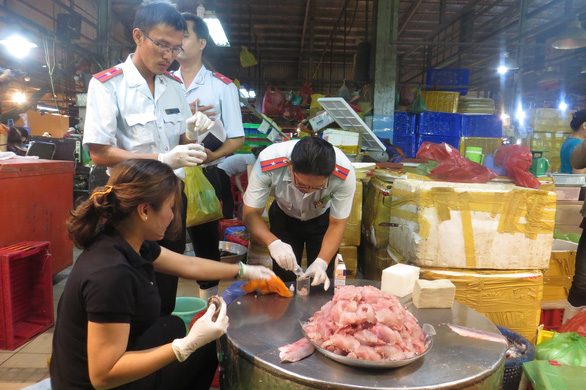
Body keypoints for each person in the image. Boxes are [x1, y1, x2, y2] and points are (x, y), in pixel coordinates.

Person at [50, 159, 274, 390]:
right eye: (171, 207)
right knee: (205, 348)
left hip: (100, 364)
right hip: (90, 384)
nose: (174, 217)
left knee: (172, 324)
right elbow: (103, 375)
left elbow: (189, 266)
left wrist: (244, 271)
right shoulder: (111, 274)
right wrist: (185, 346)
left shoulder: (128, 239)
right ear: (145, 210)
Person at [82, 1, 213, 315]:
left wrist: (194, 133)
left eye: (176, 49)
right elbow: (99, 152)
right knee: (130, 279)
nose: (169, 56)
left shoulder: (174, 87)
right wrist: (163, 158)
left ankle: (163, 341)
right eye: (162, 45)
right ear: (138, 36)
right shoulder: (107, 85)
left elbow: (182, 142)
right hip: (130, 201)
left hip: (170, 198)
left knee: (166, 280)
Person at [172, 12, 245, 299]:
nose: (178, 42)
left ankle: (210, 305)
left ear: (202, 42)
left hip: (205, 173)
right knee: (165, 241)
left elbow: (237, 137)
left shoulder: (222, 86)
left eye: (185, 36)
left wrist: (212, 155)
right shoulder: (162, 81)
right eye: (176, 36)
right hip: (168, 174)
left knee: (205, 245)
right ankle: (161, 306)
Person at [242, 136, 356, 290]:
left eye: (316, 187)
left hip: (322, 219)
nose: (307, 191)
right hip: (283, 216)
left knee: (320, 281)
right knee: (285, 276)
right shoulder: (268, 161)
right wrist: (273, 243)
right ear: (290, 167)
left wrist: (322, 262)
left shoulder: (344, 174)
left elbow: (337, 224)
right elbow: (250, 214)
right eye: (301, 184)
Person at [217, 145, 267, 218]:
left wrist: (242, 191)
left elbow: (237, 177)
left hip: (221, 171)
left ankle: (226, 217)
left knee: (225, 197)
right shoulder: (252, 159)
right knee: (227, 198)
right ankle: (228, 218)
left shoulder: (249, 158)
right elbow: (250, 178)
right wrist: (251, 192)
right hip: (222, 172)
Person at [560, 110, 586, 174]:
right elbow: (579, 176)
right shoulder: (580, 146)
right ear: (584, 125)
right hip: (576, 183)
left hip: (566, 182)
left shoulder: (568, 140)